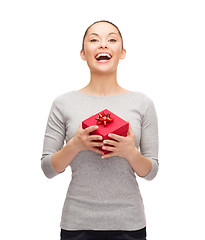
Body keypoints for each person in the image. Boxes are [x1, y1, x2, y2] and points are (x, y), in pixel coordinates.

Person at [41, 20, 159, 240]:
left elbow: (151, 172)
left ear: (122, 52)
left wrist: (129, 152)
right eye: (94, 39)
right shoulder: (63, 103)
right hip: (77, 223)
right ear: (83, 53)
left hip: (129, 223)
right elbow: (48, 169)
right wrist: (76, 144)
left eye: (111, 39)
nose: (103, 44)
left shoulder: (142, 103)